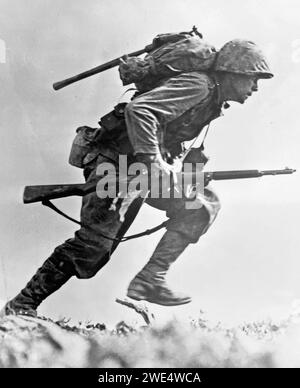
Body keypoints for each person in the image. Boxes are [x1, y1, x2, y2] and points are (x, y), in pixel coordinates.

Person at [1, 39, 273, 317]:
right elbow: (140, 110)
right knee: (93, 247)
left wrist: (182, 171)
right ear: (234, 71)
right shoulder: (198, 85)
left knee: (200, 204)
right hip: (116, 162)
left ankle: (151, 279)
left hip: (140, 170)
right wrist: (154, 162)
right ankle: (21, 305)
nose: (255, 88)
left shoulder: (212, 99)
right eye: (253, 79)